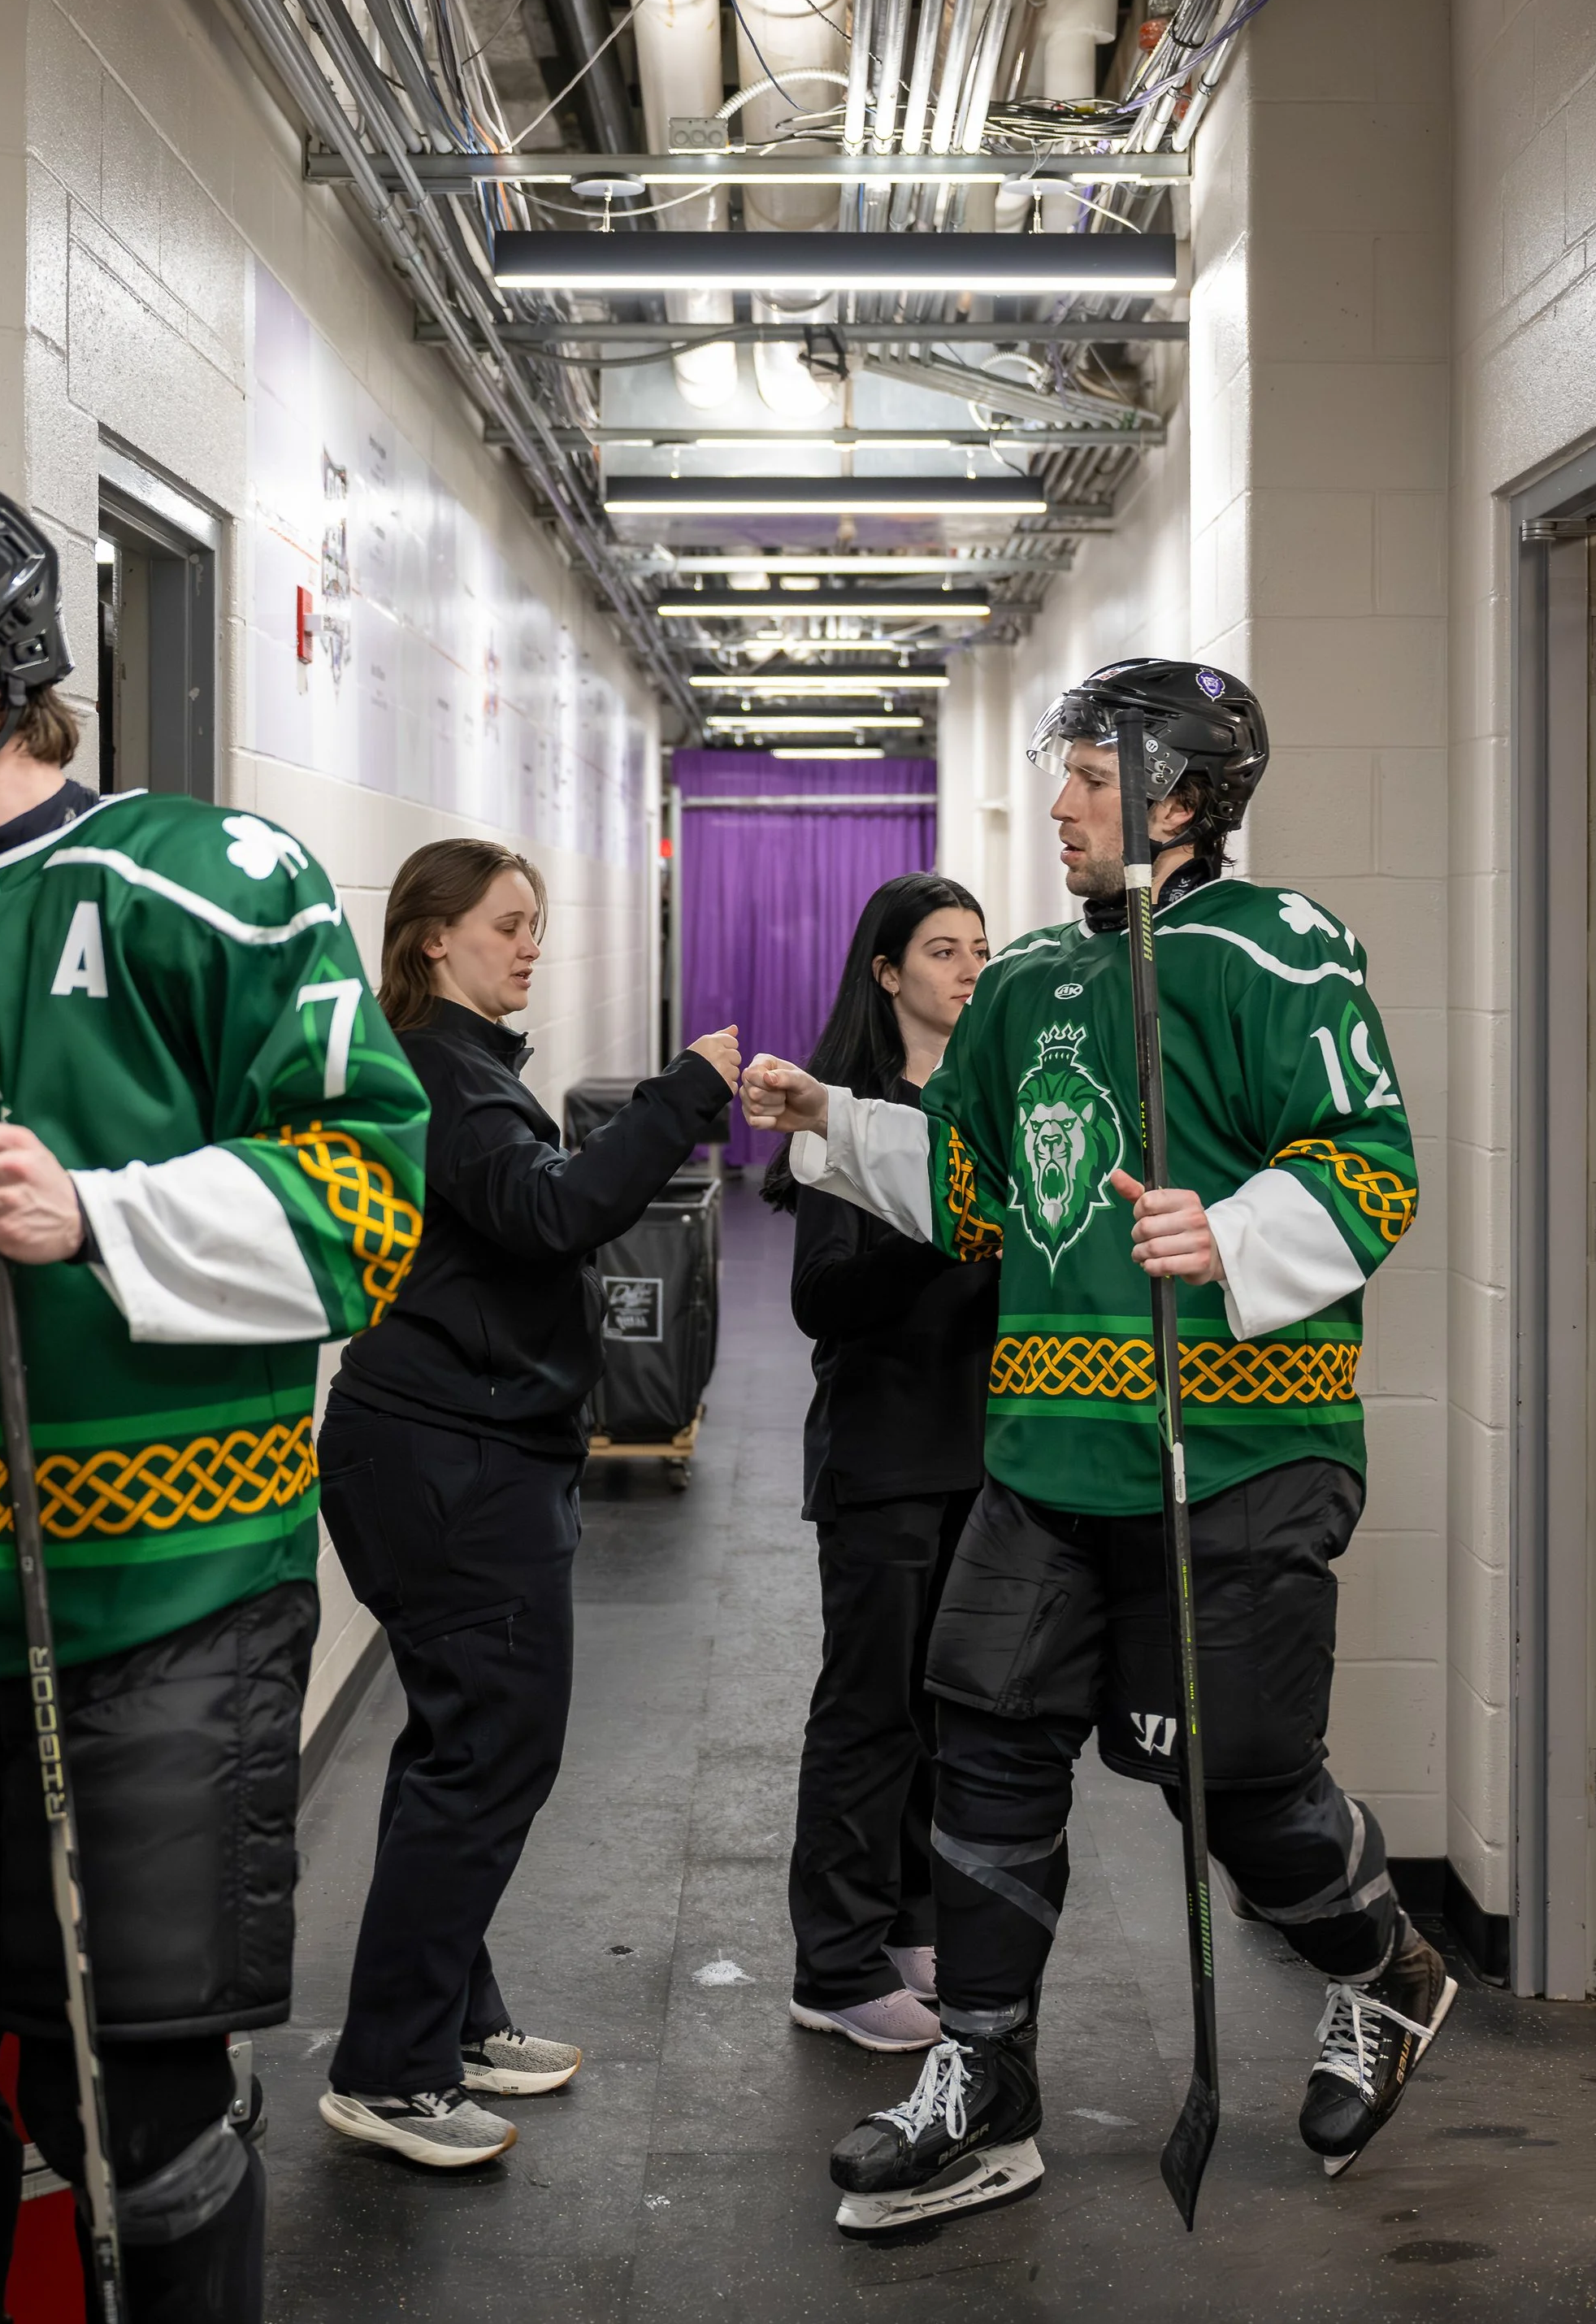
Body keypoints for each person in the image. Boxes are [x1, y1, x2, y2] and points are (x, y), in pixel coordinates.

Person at [742, 657, 1449, 2234]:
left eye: (1083, 776)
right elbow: (984, 1190)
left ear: (1182, 798)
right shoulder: (1031, 982)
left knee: (1237, 1778)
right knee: (981, 1742)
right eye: (1056, 774)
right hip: (1050, 1445)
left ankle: (1383, 1971)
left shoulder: (1283, 952)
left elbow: (1371, 1161)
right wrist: (835, 1128)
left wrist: (1240, 1225)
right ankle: (983, 2083)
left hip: (1243, 1446)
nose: (1053, 804)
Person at [0, 485, 430, 2324]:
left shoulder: (207, 883)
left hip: (146, 1590)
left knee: (139, 2094)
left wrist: (102, 1210)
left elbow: (371, 1179)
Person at [316, 839, 739, 2170]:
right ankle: (387, 2069)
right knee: (493, 1750)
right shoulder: (448, 1073)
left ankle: (444, 2017)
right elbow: (553, 1213)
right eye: (506, 924)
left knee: (456, 1743)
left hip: (456, 1448)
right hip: (451, 1461)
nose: (531, 943)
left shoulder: (465, 1064)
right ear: (431, 938)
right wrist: (684, 1095)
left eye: (536, 923)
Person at [765, 875, 997, 2053]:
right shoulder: (842, 1113)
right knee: (867, 1715)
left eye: (978, 948)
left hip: (980, 1455)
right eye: (943, 950)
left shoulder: (992, 1108)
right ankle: (835, 1959)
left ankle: (907, 1925)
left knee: (936, 1712)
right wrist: (939, 1228)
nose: (967, 968)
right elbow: (821, 1298)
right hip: (884, 1456)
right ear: (887, 973)